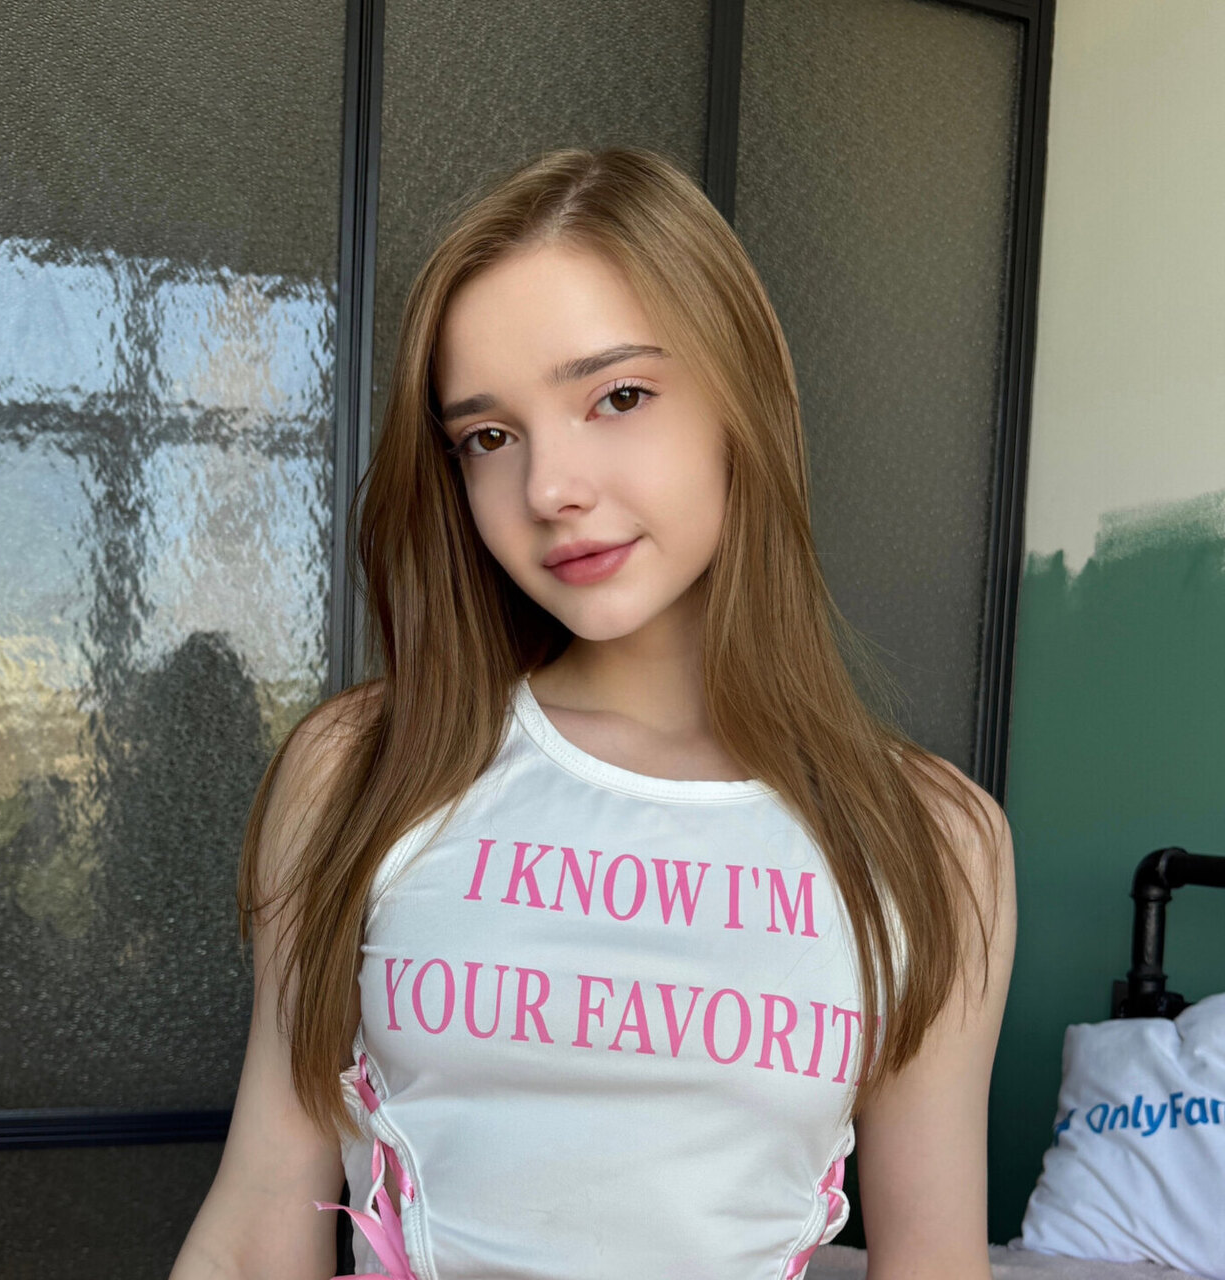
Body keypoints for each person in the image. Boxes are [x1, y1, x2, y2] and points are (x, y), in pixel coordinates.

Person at [171, 145, 1015, 1280]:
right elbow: (257, 1226)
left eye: (617, 396)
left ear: (747, 395)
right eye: (488, 436)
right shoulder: (363, 768)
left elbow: (933, 1263)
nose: (549, 489)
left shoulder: (931, 838)